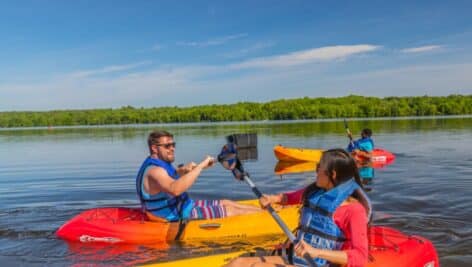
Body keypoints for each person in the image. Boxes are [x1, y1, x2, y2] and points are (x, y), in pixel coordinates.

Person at [225, 148, 371, 267]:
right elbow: (289, 198)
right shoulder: (316, 192)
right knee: (236, 264)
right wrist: (271, 199)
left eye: (319, 167)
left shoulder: (354, 210)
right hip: (296, 259)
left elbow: (360, 257)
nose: (316, 171)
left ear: (332, 174)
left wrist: (316, 252)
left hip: (318, 263)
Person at [135, 130, 261, 223]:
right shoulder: (155, 171)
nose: (172, 148)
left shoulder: (158, 165)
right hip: (174, 216)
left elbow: (171, 175)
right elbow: (175, 189)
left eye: (173, 145)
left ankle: (264, 213)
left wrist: (185, 170)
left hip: (184, 206)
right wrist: (200, 167)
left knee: (226, 202)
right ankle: (267, 219)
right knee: (231, 210)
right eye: (167, 146)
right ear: (154, 148)